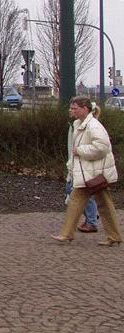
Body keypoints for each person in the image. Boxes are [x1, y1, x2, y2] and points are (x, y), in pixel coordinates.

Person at [52, 96, 122, 246]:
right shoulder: (80, 124)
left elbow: (102, 147)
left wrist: (81, 151)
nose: (71, 111)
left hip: (94, 174)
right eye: (71, 108)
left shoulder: (93, 126)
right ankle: (112, 236)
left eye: (74, 108)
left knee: (84, 202)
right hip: (89, 174)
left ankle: (67, 234)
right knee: (94, 203)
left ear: (85, 109)